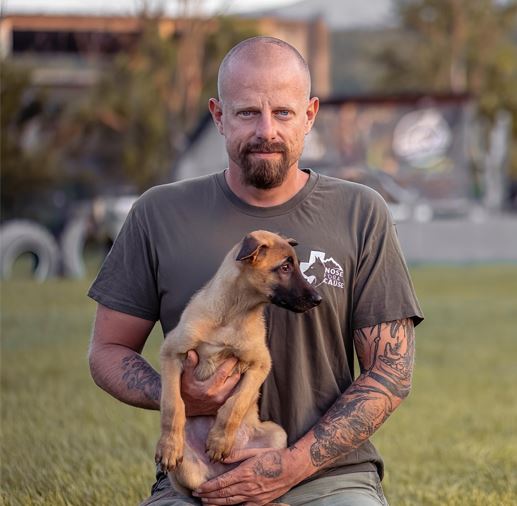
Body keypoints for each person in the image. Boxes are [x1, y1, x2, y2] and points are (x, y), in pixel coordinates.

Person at [88, 36, 423, 506]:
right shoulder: (158, 213)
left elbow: (391, 370)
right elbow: (107, 349)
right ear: (218, 116)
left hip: (326, 477)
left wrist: (293, 465)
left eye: (283, 112)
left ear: (309, 115)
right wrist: (179, 393)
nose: (267, 130)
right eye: (247, 112)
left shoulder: (360, 213)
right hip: (197, 476)